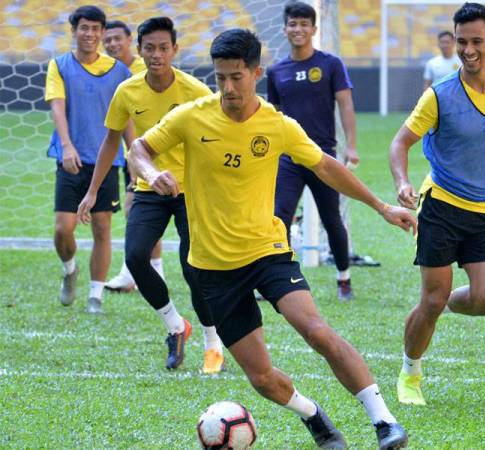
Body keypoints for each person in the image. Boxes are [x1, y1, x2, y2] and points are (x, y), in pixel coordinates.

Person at [129, 28, 414, 450]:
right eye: (220, 77)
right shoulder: (192, 116)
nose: (227, 87)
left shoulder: (278, 126)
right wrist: (151, 174)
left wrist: (381, 206)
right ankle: (314, 416)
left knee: (317, 331)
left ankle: (384, 422)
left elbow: (327, 167)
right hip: (212, 269)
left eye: (236, 77)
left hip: (268, 252)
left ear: (256, 73)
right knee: (261, 378)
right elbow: (138, 148)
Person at [389, 2, 485, 406]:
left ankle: (434, 307)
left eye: (476, 41)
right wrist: (402, 182)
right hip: (440, 206)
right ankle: (410, 373)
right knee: (432, 298)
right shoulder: (439, 95)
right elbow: (400, 142)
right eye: (460, 42)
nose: (468, 50)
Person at [77, 17, 223, 373]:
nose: (156, 55)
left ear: (175, 50)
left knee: (196, 269)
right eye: (150, 48)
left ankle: (212, 342)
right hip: (148, 187)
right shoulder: (127, 91)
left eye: (163, 48)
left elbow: (218, 138)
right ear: (139, 50)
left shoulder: (197, 92)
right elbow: (112, 141)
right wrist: (92, 190)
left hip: (193, 191)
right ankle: (175, 325)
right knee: (136, 257)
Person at [267, 1, 359, 301]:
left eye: (304, 24)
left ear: (314, 29)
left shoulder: (330, 64)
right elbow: (273, 116)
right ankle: (274, 280)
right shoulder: (276, 70)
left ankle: (343, 278)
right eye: (293, 24)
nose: (298, 29)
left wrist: (352, 147)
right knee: (279, 218)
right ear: (285, 29)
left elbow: (345, 104)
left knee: (331, 219)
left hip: (323, 156)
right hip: (289, 158)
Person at [45, 5, 130, 314]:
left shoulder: (119, 71)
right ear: (74, 31)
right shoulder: (60, 65)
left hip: (107, 161)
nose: (90, 34)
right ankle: (70, 271)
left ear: (102, 32)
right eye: (84, 28)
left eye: (96, 29)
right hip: (71, 158)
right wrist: (66, 146)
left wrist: (134, 156)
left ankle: (95, 295)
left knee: (102, 228)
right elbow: (57, 107)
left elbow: (128, 118)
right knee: (62, 228)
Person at [102, 19, 165, 292]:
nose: (113, 44)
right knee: (137, 211)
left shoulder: (143, 70)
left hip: (151, 151)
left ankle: (142, 273)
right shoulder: (111, 70)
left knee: (140, 208)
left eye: (118, 38)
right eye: (109, 40)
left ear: (131, 42)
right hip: (126, 151)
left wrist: (135, 157)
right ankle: (141, 272)